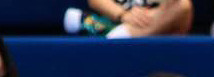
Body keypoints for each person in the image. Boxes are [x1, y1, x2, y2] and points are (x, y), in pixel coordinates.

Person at [64, 0, 193, 38]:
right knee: (72, 15)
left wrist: (148, 16)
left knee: (182, 5)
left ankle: (114, 33)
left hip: (160, 26)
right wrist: (123, 14)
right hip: (120, 19)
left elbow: (176, 6)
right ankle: (117, 31)